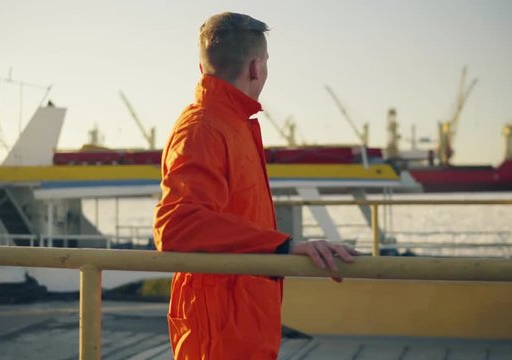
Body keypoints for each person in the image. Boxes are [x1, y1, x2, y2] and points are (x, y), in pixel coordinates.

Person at [153, 12, 359, 359]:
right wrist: (284, 246)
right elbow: (177, 224)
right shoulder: (204, 127)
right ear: (255, 68)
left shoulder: (230, 124)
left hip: (241, 320)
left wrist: (280, 248)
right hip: (219, 329)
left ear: (203, 68)